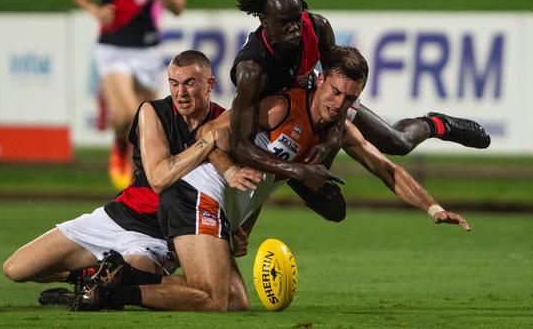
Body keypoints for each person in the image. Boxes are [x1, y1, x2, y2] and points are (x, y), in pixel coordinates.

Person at [69, 46, 471, 312]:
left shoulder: (340, 126)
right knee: (214, 300)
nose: (339, 104)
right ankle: (108, 293)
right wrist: (229, 170)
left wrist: (433, 207)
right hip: (197, 193)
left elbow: (387, 168)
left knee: (237, 301)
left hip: (222, 209)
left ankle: (114, 276)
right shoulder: (280, 108)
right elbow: (210, 134)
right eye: (334, 92)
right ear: (321, 81)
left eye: (350, 98)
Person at [229, 0, 491, 221]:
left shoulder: (316, 27)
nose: (295, 29)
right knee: (332, 209)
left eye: (297, 19)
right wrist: (297, 170)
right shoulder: (252, 71)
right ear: (264, 21)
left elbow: (339, 80)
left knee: (397, 142)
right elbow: (241, 144)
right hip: (287, 121)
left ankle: (437, 124)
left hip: (323, 101)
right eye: (284, 23)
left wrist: (333, 136)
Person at [2, 50, 238, 304]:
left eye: (190, 83)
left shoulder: (223, 121)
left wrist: (238, 228)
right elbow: (158, 179)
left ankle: (94, 288)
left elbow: (235, 187)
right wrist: (208, 142)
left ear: (210, 84)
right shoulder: (153, 112)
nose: (181, 93)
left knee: (135, 279)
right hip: (119, 216)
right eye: (174, 83)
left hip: (159, 235)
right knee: (16, 268)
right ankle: (88, 278)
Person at [71, 0, 186, 190]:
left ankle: (138, 184)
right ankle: (119, 145)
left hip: (147, 49)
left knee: (145, 121)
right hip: (112, 47)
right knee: (125, 115)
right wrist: (93, 9)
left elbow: (178, 6)